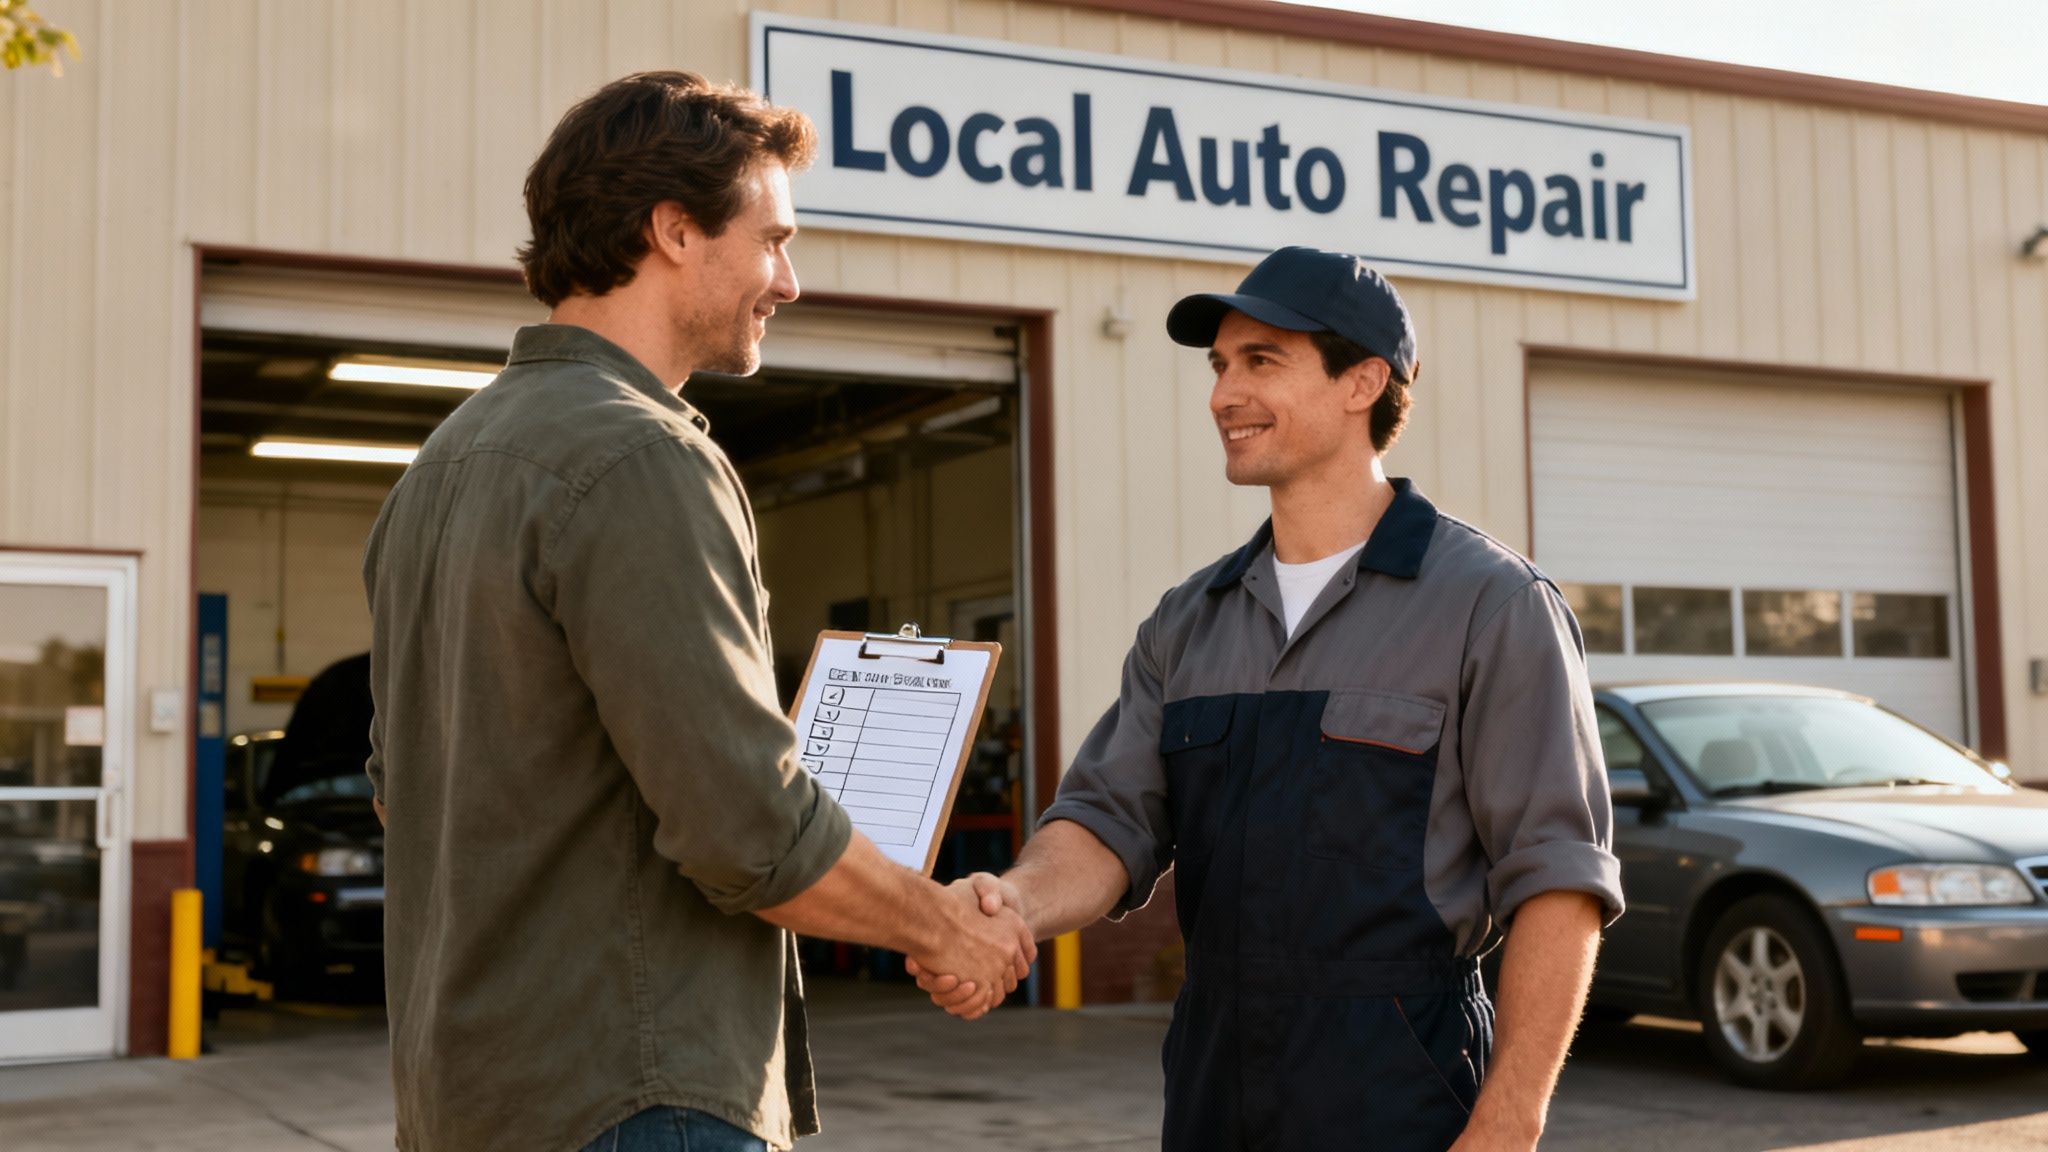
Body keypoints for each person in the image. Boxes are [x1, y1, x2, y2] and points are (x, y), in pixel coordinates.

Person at [362, 72, 1032, 1152]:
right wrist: (946, 926)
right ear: (673, 230)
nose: (789, 280)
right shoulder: (644, 457)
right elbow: (745, 830)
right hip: (631, 1094)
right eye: (772, 240)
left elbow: (406, 797)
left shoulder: (437, 472)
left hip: (468, 1098)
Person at [914, 247, 1625, 1152]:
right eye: (1219, 365)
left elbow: (1558, 878)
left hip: (1401, 1089)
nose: (1222, 395)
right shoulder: (1191, 620)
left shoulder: (1490, 605)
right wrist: (1010, 905)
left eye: (1261, 362)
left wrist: (1511, 1119)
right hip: (1216, 1083)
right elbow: (1108, 819)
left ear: (1363, 380)